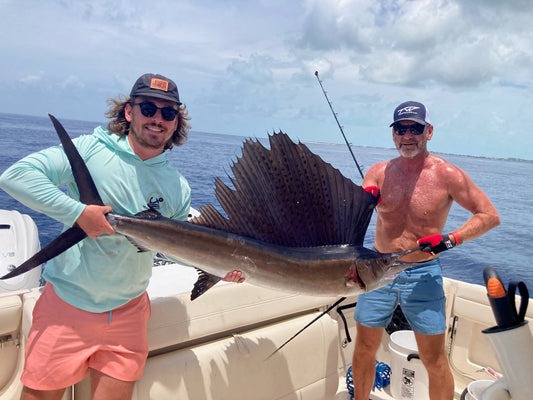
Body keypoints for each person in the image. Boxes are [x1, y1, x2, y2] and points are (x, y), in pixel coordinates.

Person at [0, 73, 244, 400]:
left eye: (168, 113)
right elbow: (16, 177)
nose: (157, 118)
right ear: (129, 112)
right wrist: (78, 214)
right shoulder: (90, 149)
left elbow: (172, 250)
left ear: (176, 123)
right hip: (67, 307)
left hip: (129, 314)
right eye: (148, 108)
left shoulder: (177, 186)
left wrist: (218, 267)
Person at [352, 101, 500, 400]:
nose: (408, 136)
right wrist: (365, 197)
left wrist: (450, 240)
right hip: (377, 271)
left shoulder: (448, 175)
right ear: (393, 134)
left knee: (433, 359)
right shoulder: (378, 172)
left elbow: (488, 215)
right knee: (365, 348)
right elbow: (360, 199)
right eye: (401, 129)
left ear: (429, 132)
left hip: (423, 273)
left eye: (415, 129)